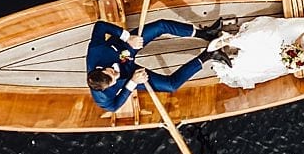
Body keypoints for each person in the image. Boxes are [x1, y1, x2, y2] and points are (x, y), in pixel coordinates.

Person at [85, 17, 227, 113]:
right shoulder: (102, 98)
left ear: (101, 68)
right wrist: (132, 83)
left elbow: (100, 25)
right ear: (107, 88)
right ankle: (209, 55)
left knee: (161, 25)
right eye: (114, 78)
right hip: (130, 76)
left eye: (111, 71)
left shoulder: (96, 51)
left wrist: (128, 37)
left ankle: (206, 33)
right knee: (171, 86)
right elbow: (113, 107)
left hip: (125, 47)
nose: (115, 73)